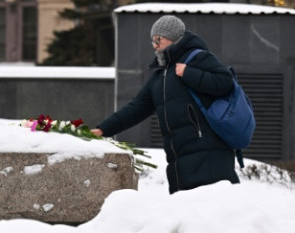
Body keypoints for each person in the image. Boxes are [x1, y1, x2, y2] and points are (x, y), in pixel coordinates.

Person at [91, 15, 240, 193]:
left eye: (158, 39)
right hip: (179, 162)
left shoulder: (198, 58)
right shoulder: (160, 76)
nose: (154, 45)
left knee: (212, 214)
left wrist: (188, 73)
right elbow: (137, 108)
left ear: (173, 37)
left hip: (210, 156)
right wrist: (104, 129)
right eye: (152, 40)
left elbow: (225, 82)